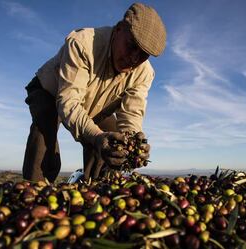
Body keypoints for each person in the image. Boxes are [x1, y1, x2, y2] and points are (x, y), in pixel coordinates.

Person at [22, 3, 166, 182]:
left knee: (114, 142)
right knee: (44, 129)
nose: (134, 58)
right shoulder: (83, 43)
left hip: (95, 105)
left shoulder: (144, 72)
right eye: (131, 46)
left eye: (143, 55)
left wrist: (132, 141)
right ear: (119, 29)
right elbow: (69, 103)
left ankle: (96, 190)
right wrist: (95, 136)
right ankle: (35, 192)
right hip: (52, 92)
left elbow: (132, 112)